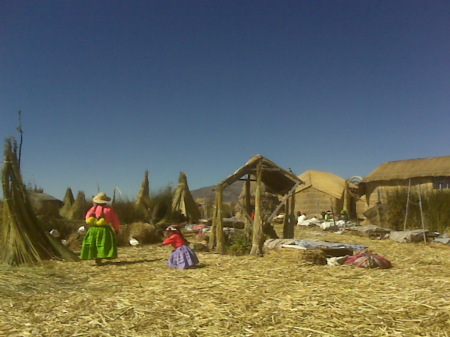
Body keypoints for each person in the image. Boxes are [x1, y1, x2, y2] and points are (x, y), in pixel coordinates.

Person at [80, 192, 120, 265]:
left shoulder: (93, 209)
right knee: (102, 244)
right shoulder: (109, 209)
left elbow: (87, 218)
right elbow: (115, 220)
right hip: (104, 230)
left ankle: (96, 257)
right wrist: (116, 229)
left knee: (94, 244)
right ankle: (100, 258)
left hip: (93, 229)